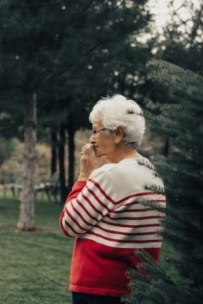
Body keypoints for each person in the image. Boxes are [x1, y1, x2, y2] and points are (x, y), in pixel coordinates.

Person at [59, 94, 166, 304]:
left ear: (118, 133)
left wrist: (84, 176)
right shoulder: (153, 173)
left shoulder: (109, 175)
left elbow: (69, 224)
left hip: (99, 289)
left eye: (96, 131)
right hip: (137, 289)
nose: (92, 139)